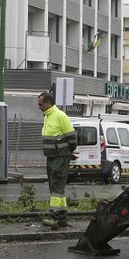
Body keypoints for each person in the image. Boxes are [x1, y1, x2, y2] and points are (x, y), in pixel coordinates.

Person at [38, 91, 76, 228]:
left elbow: (72, 137)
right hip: (52, 157)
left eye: (40, 104)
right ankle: (62, 219)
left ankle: (54, 217)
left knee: (56, 187)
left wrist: (67, 152)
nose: (39, 106)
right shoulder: (48, 116)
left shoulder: (60, 116)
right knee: (57, 189)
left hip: (60, 157)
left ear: (48, 103)